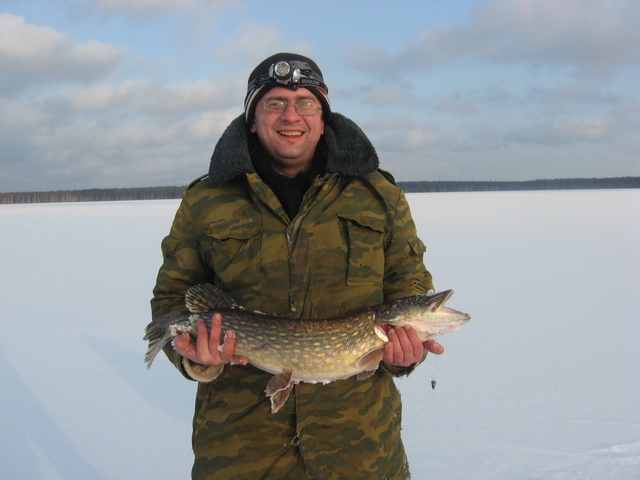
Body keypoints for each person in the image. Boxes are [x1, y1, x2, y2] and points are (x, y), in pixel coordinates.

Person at [151, 53, 444, 480]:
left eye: (306, 102)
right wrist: (196, 359)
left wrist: (403, 356)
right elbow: (172, 298)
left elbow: (408, 285)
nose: (291, 116)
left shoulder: (378, 195)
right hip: (240, 449)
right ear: (253, 119)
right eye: (274, 103)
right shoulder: (206, 200)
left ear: (324, 119)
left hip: (359, 448)